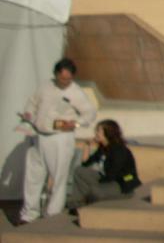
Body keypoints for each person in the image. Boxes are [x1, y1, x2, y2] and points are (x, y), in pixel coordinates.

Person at [18, 58, 97, 224]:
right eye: (62, 78)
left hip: (60, 137)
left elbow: (89, 114)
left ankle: (52, 215)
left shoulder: (76, 92)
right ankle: (29, 214)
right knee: (33, 175)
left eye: (69, 79)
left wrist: (75, 124)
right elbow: (32, 103)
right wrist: (28, 115)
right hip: (39, 135)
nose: (65, 82)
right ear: (56, 74)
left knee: (58, 177)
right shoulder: (45, 86)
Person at [68, 120, 141, 209]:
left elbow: (112, 175)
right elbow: (85, 164)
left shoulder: (119, 150)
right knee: (79, 171)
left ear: (108, 133)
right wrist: (87, 145)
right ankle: (76, 205)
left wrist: (94, 187)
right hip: (107, 179)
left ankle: (92, 205)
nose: (96, 133)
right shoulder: (103, 148)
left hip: (123, 184)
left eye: (98, 131)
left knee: (96, 191)